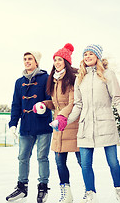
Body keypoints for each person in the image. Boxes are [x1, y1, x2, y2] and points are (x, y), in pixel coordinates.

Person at [62, 44, 120, 203]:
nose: (87, 57)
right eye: (85, 54)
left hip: (105, 123)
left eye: (91, 54)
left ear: (97, 56)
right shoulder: (80, 78)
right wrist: (67, 120)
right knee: (85, 164)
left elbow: (118, 99)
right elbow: (78, 104)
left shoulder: (108, 74)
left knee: (113, 162)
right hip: (85, 125)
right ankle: (91, 194)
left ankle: (119, 190)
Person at [33, 43, 83, 203]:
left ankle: (89, 191)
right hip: (58, 127)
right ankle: (66, 193)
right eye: (55, 60)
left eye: (60, 59)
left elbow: (72, 102)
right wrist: (44, 104)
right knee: (60, 162)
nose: (56, 62)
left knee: (83, 163)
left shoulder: (73, 79)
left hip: (72, 125)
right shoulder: (54, 80)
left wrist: (61, 116)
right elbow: (56, 104)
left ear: (66, 62)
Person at [6, 51, 53, 203]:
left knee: (42, 157)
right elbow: (16, 104)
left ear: (36, 62)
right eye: (25, 59)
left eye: (30, 59)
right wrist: (13, 124)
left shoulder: (46, 78)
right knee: (22, 157)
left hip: (43, 125)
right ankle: (22, 188)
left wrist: (43, 106)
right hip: (26, 126)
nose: (27, 61)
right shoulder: (19, 82)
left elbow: (51, 100)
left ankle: (43, 187)